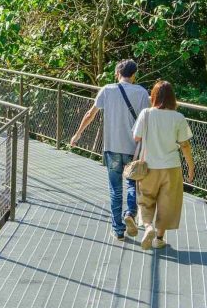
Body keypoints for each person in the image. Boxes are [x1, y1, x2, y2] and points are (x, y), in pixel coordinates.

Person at [69, 59, 149, 241]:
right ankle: (130, 212)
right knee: (132, 183)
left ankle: (118, 230)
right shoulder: (142, 92)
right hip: (133, 148)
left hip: (112, 147)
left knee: (115, 188)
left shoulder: (107, 90)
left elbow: (90, 114)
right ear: (134, 74)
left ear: (117, 73)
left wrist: (77, 134)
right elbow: (147, 120)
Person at [131, 80, 195, 250]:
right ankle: (159, 239)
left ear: (153, 96)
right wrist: (190, 166)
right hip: (171, 167)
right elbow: (185, 145)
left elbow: (136, 137)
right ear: (173, 98)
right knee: (168, 203)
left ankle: (148, 227)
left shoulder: (146, 113)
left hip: (149, 166)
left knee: (145, 200)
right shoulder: (178, 117)